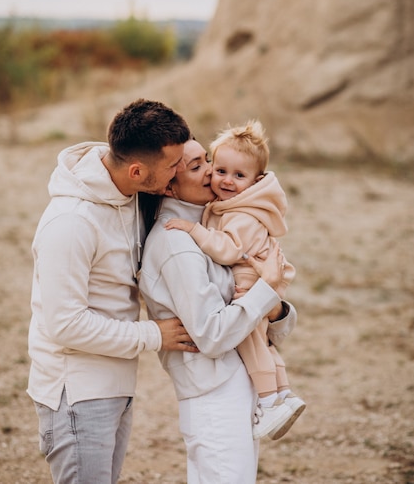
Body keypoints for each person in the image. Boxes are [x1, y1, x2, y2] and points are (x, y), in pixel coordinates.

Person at [27, 98, 198, 484]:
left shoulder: (135, 194)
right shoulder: (71, 224)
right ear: (137, 170)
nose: (178, 173)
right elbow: (64, 324)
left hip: (115, 379)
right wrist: (155, 334)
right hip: (77, 391)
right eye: (173, 166)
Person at [138, 138, 299, 484]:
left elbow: (254, 315)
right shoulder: (177, 243)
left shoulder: (216, 229)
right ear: (168, 185)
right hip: (215, 394)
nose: (212, 171)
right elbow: (211, 335)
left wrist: (274, 307)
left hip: (235, 385)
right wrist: (266, 290)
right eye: (197, 167)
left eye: (207, 159)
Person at [165, 120, 306, 441]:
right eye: (221, 170)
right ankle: (284, 393)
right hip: (258, 277)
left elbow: (227, 250)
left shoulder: (241, 214)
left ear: (256, 180)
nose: (226, 180)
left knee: (250, 338)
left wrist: (194, 230)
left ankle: (270, 401)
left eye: (239, 176)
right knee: (263, 340)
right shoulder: (240, 203)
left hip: (251, 278)